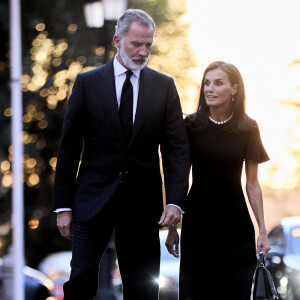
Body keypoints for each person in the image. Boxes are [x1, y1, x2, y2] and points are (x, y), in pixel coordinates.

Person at [52, 8, 190, 300]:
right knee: (81, 283)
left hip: (143, 205)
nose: (143, 51)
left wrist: (175, 202)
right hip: (90, 201)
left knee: (142, 288)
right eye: (136, 44)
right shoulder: (87, 84)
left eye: (148, 44)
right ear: (117, 40)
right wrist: (63, 206)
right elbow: (69, 149)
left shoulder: (164, 87)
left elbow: (176, 150)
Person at [165, 61, 270, 300]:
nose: (209, 89)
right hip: (198, 226)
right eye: (206, 83)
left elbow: (252, 183)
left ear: (234, 89)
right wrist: (173, 227)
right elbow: (181, 177)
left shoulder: (248, 127)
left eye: (218, 83)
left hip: (236, 228)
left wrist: (262, 230)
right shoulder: (190, 125)